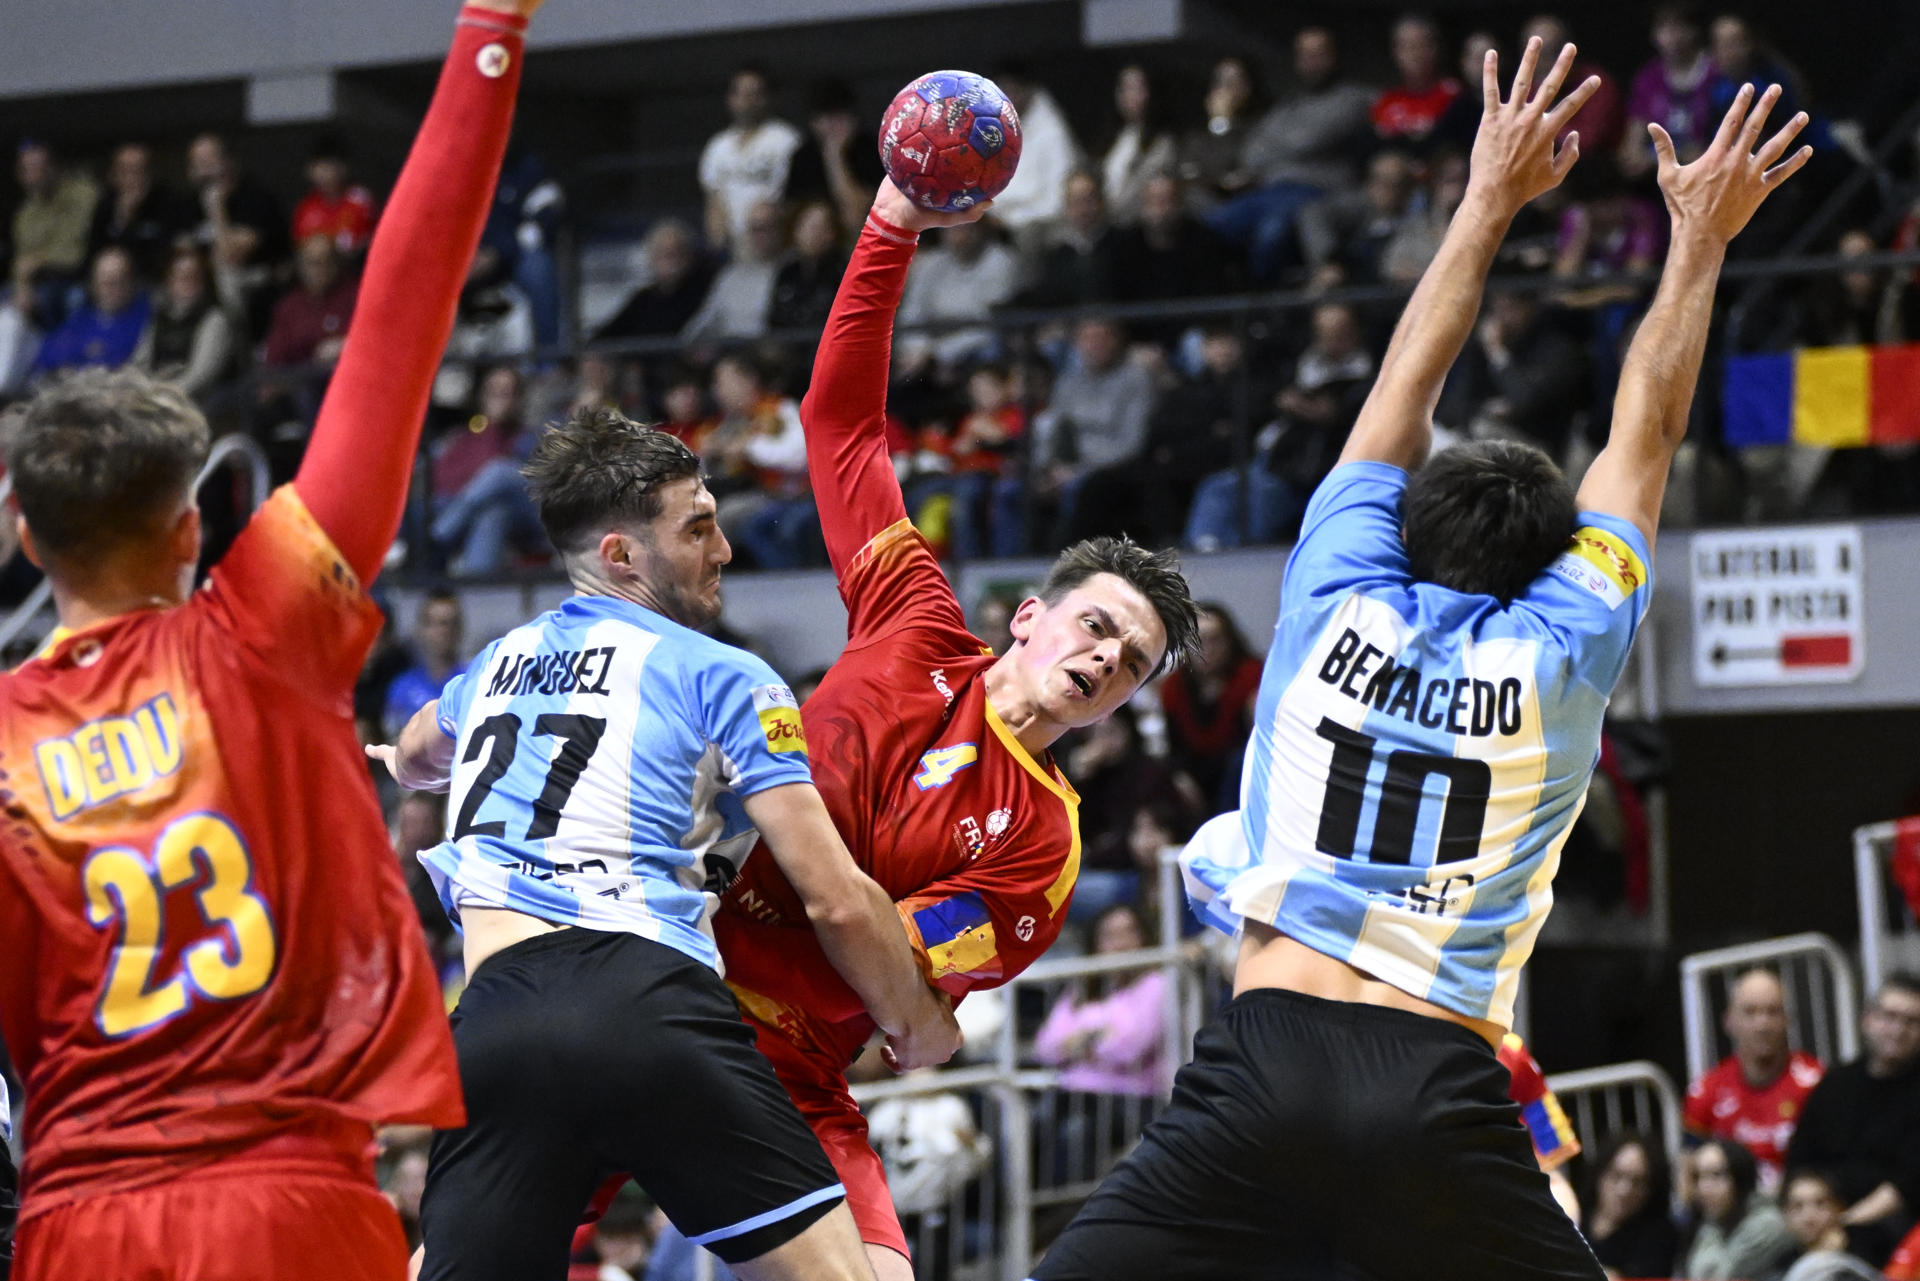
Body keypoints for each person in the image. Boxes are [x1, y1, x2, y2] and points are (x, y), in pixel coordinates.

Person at [1030, 43, 1811, 1281]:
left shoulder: (1334, 592)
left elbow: (1409, 379)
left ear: (1407, 531)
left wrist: (1491, 194)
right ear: (1547, 565)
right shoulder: (1566, 646)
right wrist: (1700, 238)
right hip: (1439, 1083)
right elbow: (1645, 432)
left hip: (1263, 1062)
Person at [0, 5, 537, 1277]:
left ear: (24, 534)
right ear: (194, 530)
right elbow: (402, 315)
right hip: (290, 1200)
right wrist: (490, 30)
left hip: (81, 1217)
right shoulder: (266, 628)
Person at [705, 176, 1201, 1281]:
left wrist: (909, 1006)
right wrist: (889, 226)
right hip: (652, 976)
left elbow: (898, 982)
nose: (1102, 660)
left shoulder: (1041, 842)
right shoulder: (913, 619)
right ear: (1029, 615)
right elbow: (839, 423)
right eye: (1095, 627)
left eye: (1128, 666)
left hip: (788, 1065)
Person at [379, 405, 961, 1281]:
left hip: (492, 1024)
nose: (724, 549)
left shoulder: (494, 664)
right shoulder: (722, 670)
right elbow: (833, 895)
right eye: (698, 528)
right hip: (642, 1002)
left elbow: (421, 749)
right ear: (621, 555)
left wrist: (402, 757)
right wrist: (916, 1019)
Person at [1784, 975, 1920, 1267]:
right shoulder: (1836, 1083)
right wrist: (1811, 1216)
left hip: (1887, 1221)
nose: (1898, 1030)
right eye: (1890, 1017)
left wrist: (1843, 1225)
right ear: (1867, 1019)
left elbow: (1907, 1186)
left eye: (1912, 1021)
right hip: (1819, 1212)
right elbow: (1800, 1161)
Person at [1684, 967, 1826, 1190]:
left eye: (1772, 1011)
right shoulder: (1705, 1091)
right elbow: (1688, 1176)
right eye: (1750, 1012)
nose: (1762, 1024)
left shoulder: (1817, 1082)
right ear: (1729, 1021)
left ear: (1788, 1019)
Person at [700, 64, 802, 251]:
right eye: (741, 93)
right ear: (731, 98)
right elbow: (713, 201)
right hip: (734, 246)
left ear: (766, 97)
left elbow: (794, 200)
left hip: (775, 242)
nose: (747, 100)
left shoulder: (785, 139)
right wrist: (718, 243)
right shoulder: (717, 146)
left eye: (754, 93)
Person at [1681, 1138, 1798, 1281]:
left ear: (1740, 1176)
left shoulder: (1769, 1223)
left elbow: (1716, 1276)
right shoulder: (1713, 1220)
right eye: (1698, 1177)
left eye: (1716, 1175)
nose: (1704, 1188)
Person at [29, 246, 149, 378]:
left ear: (131, 282)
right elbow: (46, 359)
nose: (109, 287)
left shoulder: (146, 321)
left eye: (118, 280)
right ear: (93, 283)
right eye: (103, 280)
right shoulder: (80, 318)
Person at [1583, 1136, 1682, 1277]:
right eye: (1616, 1176)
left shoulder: (1659, 1235)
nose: (1624, 1190)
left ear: (1651, 1189)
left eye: (1638, 1182)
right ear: (1600, 1175)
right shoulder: (1574, 1217)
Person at [1778, 1170, 1890, 1281]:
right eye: (1798, 1207)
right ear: (1785, 1214)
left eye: (1820, 1203)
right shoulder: (1777, 1262)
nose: (1809, 1217)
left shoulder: (1870, 1249)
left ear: (1839, 1208)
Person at [384, 590, 466, 738]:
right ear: (421, 629)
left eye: (449, 623)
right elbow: (392, 740)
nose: (443, 631)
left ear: (460, 629)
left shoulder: (473, 684)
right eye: (435, 623)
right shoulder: (402, 687)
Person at [292, 134, 378, 257]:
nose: (324, 174)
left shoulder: (360, 200)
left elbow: (364, 242)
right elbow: (301, 246)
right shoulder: (306, 207)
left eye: (329, 167)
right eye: (319, 167)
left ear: (343, 168)